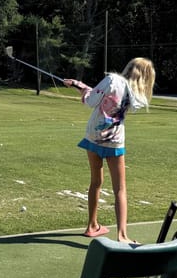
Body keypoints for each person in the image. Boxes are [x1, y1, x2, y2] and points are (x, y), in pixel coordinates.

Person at [64, 58, 155, 243]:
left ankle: (91, 225)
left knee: (96, 182)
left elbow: (91, 101)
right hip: (114, 141)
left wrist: (79, 87)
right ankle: (122, 235)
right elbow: (107, 98)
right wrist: (79, 85)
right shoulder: (138, 95)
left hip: (94, 136)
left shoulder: (112, 79)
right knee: (120, 189)